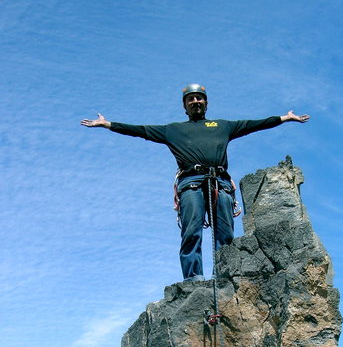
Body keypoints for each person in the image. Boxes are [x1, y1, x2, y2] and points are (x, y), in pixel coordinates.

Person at [81, 84, 309, 281]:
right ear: (185, 105)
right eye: (191, 99)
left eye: (199, 98)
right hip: (191, 182)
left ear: (206, 103)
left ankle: (226, 274)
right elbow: (141, 131)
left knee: (225, 234)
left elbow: (254, 124)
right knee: (191, 231)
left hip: (220, 182)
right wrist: (109, 124)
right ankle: (193, 278)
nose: (195, 101)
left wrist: (284, 118)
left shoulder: (222, 126)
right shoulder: (173, 130)